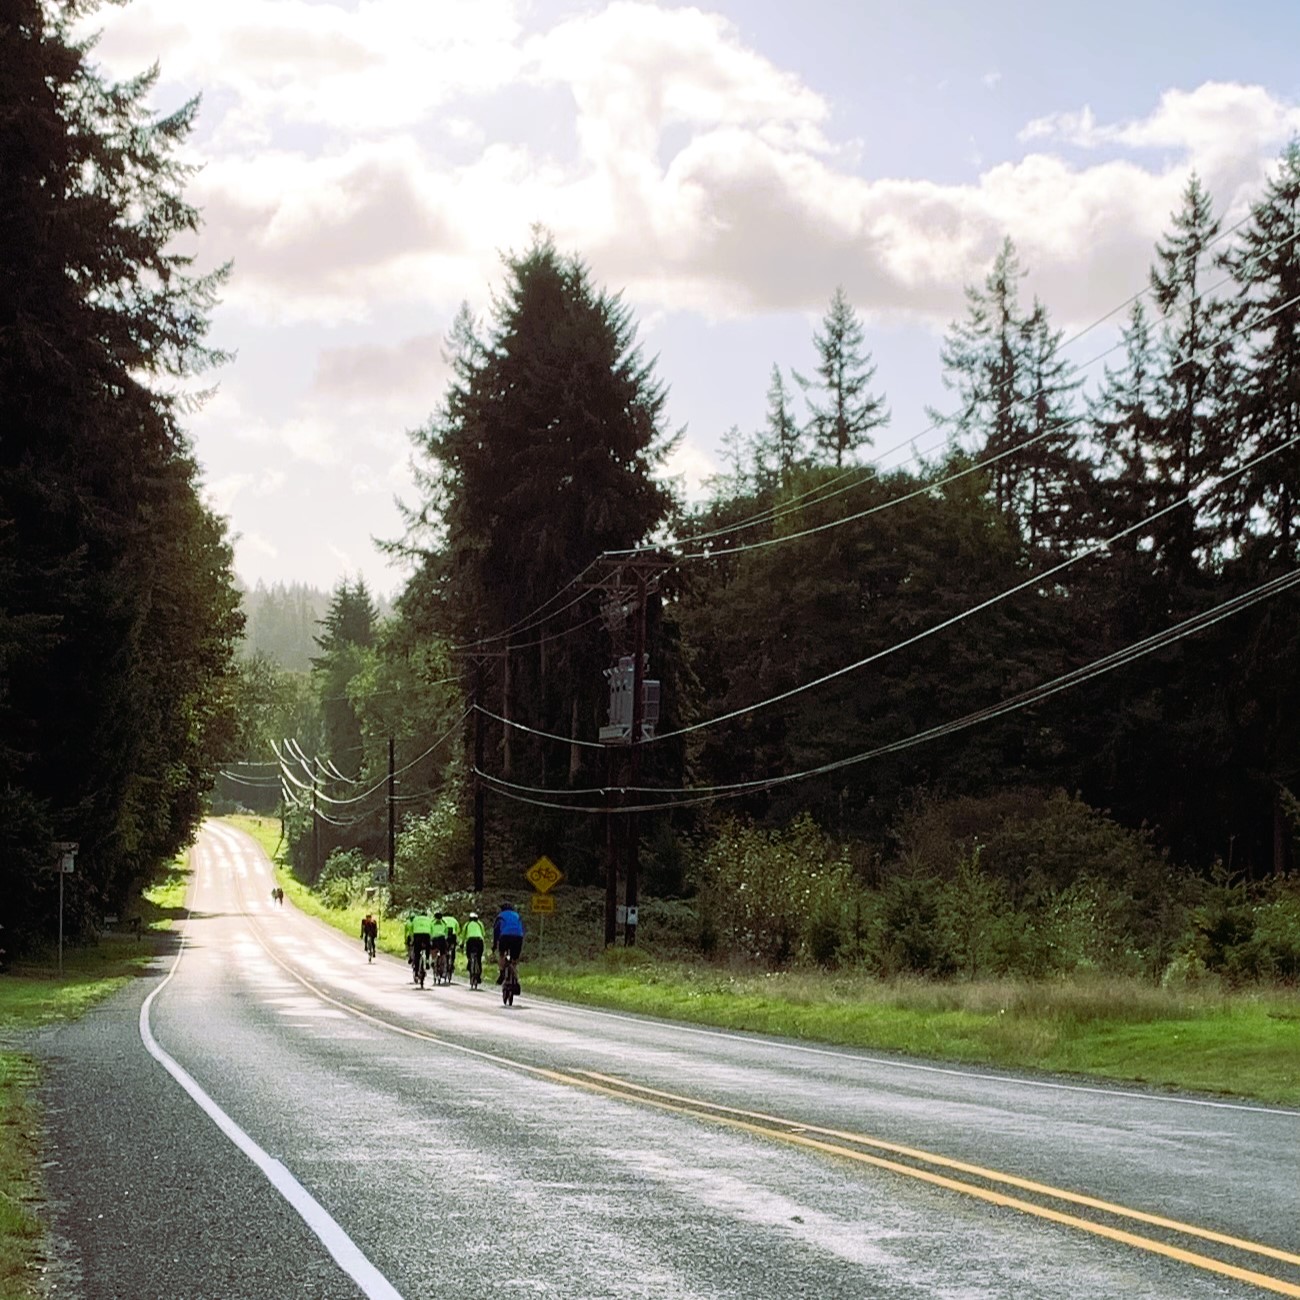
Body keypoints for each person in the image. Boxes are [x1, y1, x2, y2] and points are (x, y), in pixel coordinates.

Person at [493, 901, 524, 984]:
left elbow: (496, 931)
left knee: (502, 954)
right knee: (514, 960)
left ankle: (502, 972)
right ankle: (515, 976)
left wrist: (495, 944)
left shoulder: (500, 916)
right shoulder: (517, 916)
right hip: (518, 936)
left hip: (505, 936)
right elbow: (521, 928)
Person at [409, 908, 433, 982]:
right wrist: (431, 940)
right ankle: (427, 960)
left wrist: (412, 940)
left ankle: (416, 972)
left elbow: (411, 930)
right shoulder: (429, 919)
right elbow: (432, 930)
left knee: (417, 954)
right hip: (426, 935)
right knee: (428, 948)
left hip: (417, 935)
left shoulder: (415, 919)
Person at [462, 911, 486, 985]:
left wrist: (462, 943)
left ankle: (470, 962)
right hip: (479, 940)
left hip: (470, 940)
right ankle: (478, 976)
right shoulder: (480, 923)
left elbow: (463, 935)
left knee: (469, 955)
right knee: (478, 958)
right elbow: (483, 934)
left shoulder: (467, 924)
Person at [430, 910, 449, 978]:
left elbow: (430, 930)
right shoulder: (444, 923)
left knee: (433, 950)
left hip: (434, 938)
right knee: (443, 953)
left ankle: (433, 960)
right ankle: (443, 968)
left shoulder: (432, 922)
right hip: (442, 938)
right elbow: (446, 932)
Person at [442, 909, 460, 975]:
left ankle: (444, 961)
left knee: (444, 949)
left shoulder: (443, 919)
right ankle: (452, 962)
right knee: (453, 948)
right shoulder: (454, 919)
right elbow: (458, 930)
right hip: (453, 935)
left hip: (445, 935)